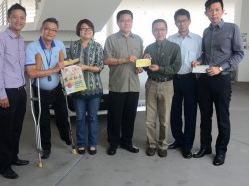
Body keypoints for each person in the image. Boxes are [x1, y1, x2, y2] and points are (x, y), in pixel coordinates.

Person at [192, 0, 244, 166]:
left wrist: (220, 68)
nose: (213, 13)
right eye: (210, 10)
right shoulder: (206, 32)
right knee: (205, 117)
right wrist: (199, 61)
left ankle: (221, 152)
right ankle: (205, 147)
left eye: (217, 9)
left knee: (223, 118)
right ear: (205, 12)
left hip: (222, 80)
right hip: (204, 80)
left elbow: (239, 54)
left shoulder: (232, 28)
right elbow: (205, 54)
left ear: (222, 11)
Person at [0, 3, 29, 179]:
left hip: (20, 90)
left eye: (22, 18)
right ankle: (3, 166)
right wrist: (2, 95)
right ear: (8, 19)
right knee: (5, 130)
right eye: (15, 17)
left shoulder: (21, 40)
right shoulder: (1, 39)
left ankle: (13, 157)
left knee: (16, 128)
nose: (18, 20)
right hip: (7, 92)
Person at [25, 17, 71, 159]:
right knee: (43, 119)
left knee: (63, 114)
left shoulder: (60, 45)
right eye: (47, 29)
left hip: (57, 87)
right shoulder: (32, 47)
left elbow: (64, 65)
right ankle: (46, 147)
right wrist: (53, 70)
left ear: (56, 33)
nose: (50, 32)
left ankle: (65, 136)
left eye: (54, 30)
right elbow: (31, 73)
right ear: (41, 30)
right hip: (40, 89)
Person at [104, 10, 143, 155]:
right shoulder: (111, 39)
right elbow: (106, 60)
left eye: (128, 20)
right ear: (118, 22)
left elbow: (139, 61)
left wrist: (140, 67)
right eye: (122, 20)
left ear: (132, 22)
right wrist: (125, 59)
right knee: (115, 116)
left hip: (133, 84)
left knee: (129, 116)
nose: (125, 23)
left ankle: (127, 142)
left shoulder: (138, 39)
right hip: (117, 84)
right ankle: (113, 143)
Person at [144, 19, 181, 157]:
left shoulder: (174, 48)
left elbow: (176, 67)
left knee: (164, 119)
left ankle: (162, 145)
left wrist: (160, 68)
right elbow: (142, 66)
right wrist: (145, 59)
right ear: (152, 31)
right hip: (151, 84)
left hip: (166, 84)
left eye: (162, 29)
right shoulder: (149, 48)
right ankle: (151, 144)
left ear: (166, 30)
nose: (159, 32)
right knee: (150, 118)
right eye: (156, 29)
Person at [167, 9, 202, 159]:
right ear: (175, 23)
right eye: (179, 21)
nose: (182, 24)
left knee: (190, 112)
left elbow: (202, 57)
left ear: (189, 21)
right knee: (174, 112)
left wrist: (199, 61)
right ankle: (178, 139)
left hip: (190, 79)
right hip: (173, 79)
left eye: (184, 20)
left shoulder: (198, 39)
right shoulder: (170, 39)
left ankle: (187, 145)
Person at [68, 19, 104, 155]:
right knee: (80, 117)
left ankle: (93, 143)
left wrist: (86, 67)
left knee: (93, 117)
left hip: (94, 88)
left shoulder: (98, 46)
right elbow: (69, 65)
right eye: (83, 28)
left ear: (93, 31)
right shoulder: (73, 46)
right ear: (79, 31)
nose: (87, 30)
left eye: (89, 28)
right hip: (77, 89)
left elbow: (100, 67)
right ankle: (81, 143)